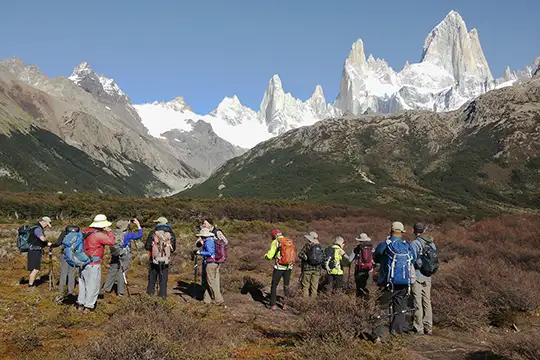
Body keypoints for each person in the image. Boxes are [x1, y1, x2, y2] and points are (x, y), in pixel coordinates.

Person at [372, 221, 416, 343]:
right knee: (400, 310)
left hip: (386, 283)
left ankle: (377, 336)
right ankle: (395, 337)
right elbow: (413, 260)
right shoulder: (407, 246)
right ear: (402, 232)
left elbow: (376, 257)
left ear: (390, 231)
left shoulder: (385, 245)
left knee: (380, 308)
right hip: (403, 284)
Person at [78, 214, 116, 313]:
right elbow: (112, 242)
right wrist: (109, 231)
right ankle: (88, 306)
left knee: (83, 284)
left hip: (83, 261)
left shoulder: (86, 232)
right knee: (93, 285)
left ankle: (80, 304)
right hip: (93, 263)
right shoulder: (98, 235)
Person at [103, 219, 143, 297]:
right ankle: (120, 292)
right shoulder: (128, 234)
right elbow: (139, 235)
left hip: (115, 253)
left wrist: (126, 224)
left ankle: (106, 288)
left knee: (112, 271)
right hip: (125, 254)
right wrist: (138, 225)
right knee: (122, 272)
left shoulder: (114, 232)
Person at [410, 222, 435, 336]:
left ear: (414, 231)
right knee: (427, 301)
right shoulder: (431, 243)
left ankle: (418, 327)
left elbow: (412, 260)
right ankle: (428, 327)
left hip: (417, 276)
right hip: (428, 276)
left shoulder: (415, 243)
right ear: (424, 230)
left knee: (417, 301)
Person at [145, 216, 176, 298]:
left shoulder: (153, 233)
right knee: (163, 279)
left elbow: (147, 247)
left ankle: (149, 296)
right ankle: (162, 296)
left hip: (154, 259)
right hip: (165, 260)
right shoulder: (171, 234)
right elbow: (173, 249)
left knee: (152, 278)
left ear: (158, 223)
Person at [265, 229, 294, 310]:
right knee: (286, 285)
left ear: (274, 235)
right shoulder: (288, 241)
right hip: (289, 267)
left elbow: (270, 256)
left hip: (279, 267)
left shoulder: (276, 242)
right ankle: (285, 305)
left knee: (274, 285)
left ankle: (273, 305)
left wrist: (266, 256)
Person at [196, 228, 225, 305]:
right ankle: (207, 299)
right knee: (207, 281)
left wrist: (200, 252)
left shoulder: (208, 241)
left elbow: (210, 252)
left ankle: (218, 300)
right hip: (212, 263)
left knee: (211, 281)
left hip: (210, 263)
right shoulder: (210, 240)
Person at [53, 225, 80, 300]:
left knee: (63, 272)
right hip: (74, 255)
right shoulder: (78, 234)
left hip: (64, 254)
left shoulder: (64, 233)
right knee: (72, 273)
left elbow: (58, 243)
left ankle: (61, 291)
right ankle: (70, 291)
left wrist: (51, 245)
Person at [27, 216, 53, 287]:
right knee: (36, 268)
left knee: (33, 268)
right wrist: (47, 240)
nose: (46, 226)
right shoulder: (38, 229)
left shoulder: (34, 227)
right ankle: (31, 285)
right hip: (35, 250)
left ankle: (31, 283)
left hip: (32, 250)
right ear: (43, 222)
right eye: (47, 224)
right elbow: (42, 239)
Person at [347, 233, 374, 298]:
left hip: (359, 270)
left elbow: (349, 260)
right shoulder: (371, 248)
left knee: (359, 288)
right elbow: (374, 260)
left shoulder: (357, 248)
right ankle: (367, 303)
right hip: (369, 270)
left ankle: (359, 303)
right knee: (367, 287)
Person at [298, 231, 323, 298]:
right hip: (317, 269)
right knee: (314, 287)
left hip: (307, 269)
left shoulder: (307, 245)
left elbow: (300, 255)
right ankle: (312, 302)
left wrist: (306, 258)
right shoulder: (320, 246)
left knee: (305, 286)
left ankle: (305, 302)